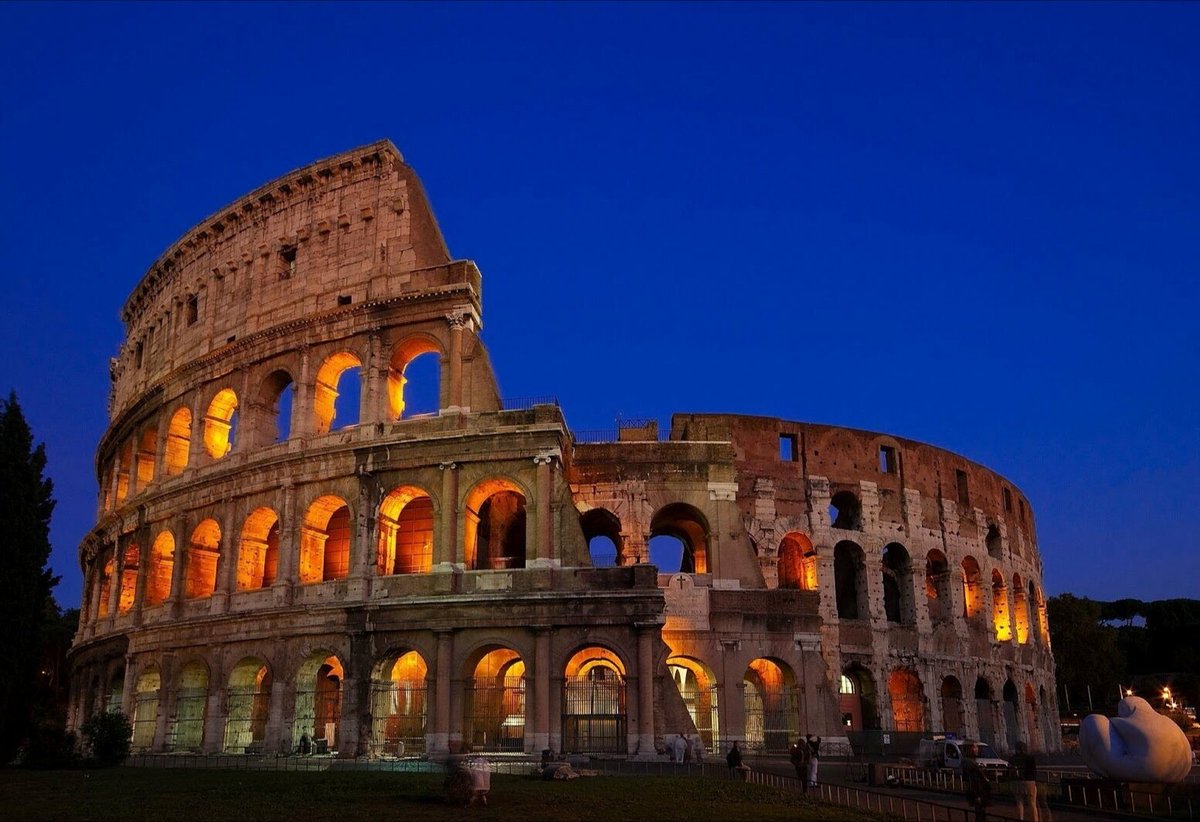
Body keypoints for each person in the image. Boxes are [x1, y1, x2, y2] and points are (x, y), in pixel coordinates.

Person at [1010, 740, 1039, 821]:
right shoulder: (1029, 758)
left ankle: (1020, 819)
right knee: (1032, 804)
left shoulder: (1012, 758)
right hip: (1029, 781)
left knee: (1019, 803)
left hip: (1016, 782)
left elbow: (1010, 770)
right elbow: (1033, 770)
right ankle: (1034, 820)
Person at [963, 743, 992, 822]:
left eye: (977, 747)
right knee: (980, 812)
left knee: (981, 812)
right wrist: (976, 794)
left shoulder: (972, 761)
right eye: (974, 747)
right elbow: (972, 779)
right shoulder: (969, 763)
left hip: (981, 790)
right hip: (977, 791)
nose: (977, 749)